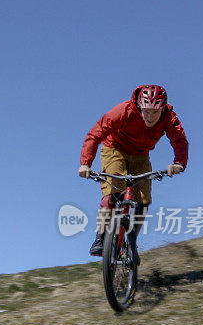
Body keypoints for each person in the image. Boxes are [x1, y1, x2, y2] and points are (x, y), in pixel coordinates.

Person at [78, 85, 188, 258]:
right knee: (114, 192)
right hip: (114, 149)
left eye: (155, 112)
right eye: (146, 112)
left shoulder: (168, 116)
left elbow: (179, 140)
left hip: (141, 155)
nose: (150, 117)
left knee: (143, 200)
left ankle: (131, 243)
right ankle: (100, 238)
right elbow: (96, 133)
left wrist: (179, 163)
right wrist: (85, 163)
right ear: (139, 106)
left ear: (162, 109)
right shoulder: (123, 111)